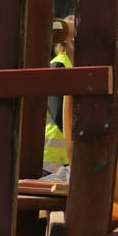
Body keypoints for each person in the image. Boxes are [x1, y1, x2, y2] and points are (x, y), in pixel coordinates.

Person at [43, 19, 74, 173]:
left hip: (61, 155)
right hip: (53, 157)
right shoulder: (59, 66)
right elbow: (58, 114)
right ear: (68, 41)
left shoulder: (67, 65)